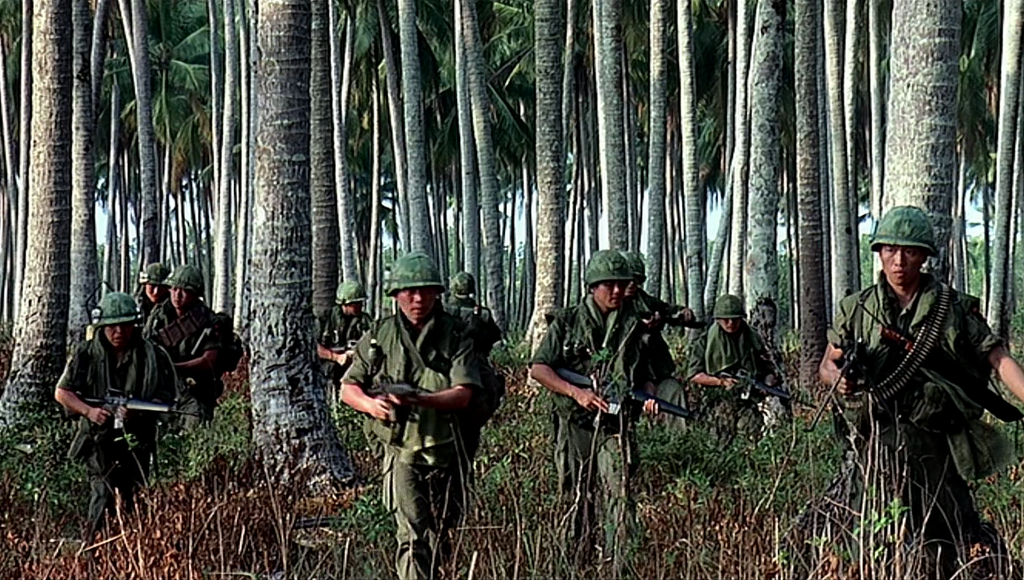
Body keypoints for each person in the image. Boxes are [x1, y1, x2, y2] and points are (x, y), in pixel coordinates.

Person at [818, 205, 1024, 578]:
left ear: (924, 256)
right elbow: (826, 365)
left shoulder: (953, 308)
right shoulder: (857, 309)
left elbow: (997, 357)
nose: (899, 261)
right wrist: (840, 379)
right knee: (874, 540)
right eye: (891, 250)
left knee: (946, 540)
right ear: (879, 252)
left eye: (910, 251)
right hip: (876, 444)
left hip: (937, 447)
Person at [339, 252, 482, 580]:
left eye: (425, 290)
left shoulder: (457, 334)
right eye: (409, 291)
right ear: (395, 295)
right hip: (402, 451)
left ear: (438, 293)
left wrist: (420, 398)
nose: (417, 298)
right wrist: (372, 406)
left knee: (446, 533)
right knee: (412, 535)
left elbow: (464, 394)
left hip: (449, 449)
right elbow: (348, 389)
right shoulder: (380, 335)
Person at [530, 249, 664, 575]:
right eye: (608, 285)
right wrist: (576, 393)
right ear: (592, 286)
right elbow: (539, 368)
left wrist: (649, 397)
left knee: (621, 499)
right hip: (576, 424)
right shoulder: (568, 321)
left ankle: (620, 569)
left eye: (621, 284)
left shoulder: (635, 327)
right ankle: (574, 568)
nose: (616, 291)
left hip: (616, 426)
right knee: (577, 500)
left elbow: (647, 375)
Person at [55, 292, 179, 539]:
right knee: (103, 491)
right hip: (98, 437)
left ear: (135, 325)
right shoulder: (87, 353)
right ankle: (92, 550)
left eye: (125, 325)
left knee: (134, 492)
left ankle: (130, 553)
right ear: (103, 326)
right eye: (112, 326)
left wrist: (138, 410)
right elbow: (63, 392)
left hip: (137, 437)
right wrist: (89, 411)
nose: (119, 331)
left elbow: (165, 399)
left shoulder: (150, 356)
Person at [687, 294, 781, 442]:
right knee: (719, 439)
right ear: (718, 320)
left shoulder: (753, 338)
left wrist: (767, 383)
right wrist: (720, 382)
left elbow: (768, 368)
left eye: (735, 319)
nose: (731, 323)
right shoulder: (704, 343)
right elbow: (694, 375)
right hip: (718, 401)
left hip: (749, 401)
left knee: (750, 436)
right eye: (726, 319)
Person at [620, 251, 696, 428]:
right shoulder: (608, 307)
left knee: (673, 391)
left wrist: (682, 313)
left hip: (653, 375)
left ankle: (676, 448)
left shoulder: (643, 300)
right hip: (623, 381)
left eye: (636, 280)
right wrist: (639, 329)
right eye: (628, 279)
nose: (632, 284)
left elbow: (666, 308)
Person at [144, 264, 222, 423]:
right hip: (161, 388)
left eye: (185, 291)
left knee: (193, 434)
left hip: (195, 390)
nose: (177, 295)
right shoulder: (159, 314)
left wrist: (176, 367)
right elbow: (146, 344)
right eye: (174, 288)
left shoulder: (206, 319)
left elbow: (208, 360)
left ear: (196, 294)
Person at [444, 272, 504, 457]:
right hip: (476, 366)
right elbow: (494, 337)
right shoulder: (482, 313)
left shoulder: (444, 310)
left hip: (447, 365)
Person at [317, 280, 373, 394]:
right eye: (356, 303)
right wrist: (337, 357)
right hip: (327, 372)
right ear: (345, 303)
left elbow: (375, 341)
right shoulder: (325, 319)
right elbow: (312, 346)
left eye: (361, 302)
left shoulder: (364, 320)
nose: (360, 306)